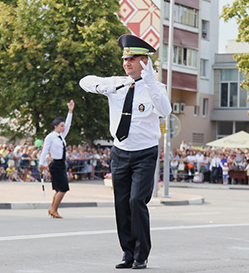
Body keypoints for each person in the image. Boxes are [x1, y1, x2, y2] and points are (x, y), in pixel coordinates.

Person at [79, 34, 171, 269]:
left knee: (136, 201)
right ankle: (127, 253)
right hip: (120, 152)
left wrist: (149, 82)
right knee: (121, 204)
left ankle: (142, 255)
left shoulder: (156, 88)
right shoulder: (117, 83)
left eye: (132, 58)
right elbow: (85, 81)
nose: (127, 63)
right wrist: (103, 87)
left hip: (144, 153)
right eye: (125, 59)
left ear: (145, 61)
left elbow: (165, 110)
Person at [38, 100, 75, 219]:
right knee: (63, 188)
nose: (64, 127)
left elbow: (68, 125)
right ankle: (54, 209)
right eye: (61, 126)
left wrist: (70, 111)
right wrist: (41, 164)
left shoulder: (61, 136)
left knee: (59, 189)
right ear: (56, 127)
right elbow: (44, 150)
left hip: (61, 164)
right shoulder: (51, 137)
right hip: (55, 164)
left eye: (63, 126)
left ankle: (53, 209)